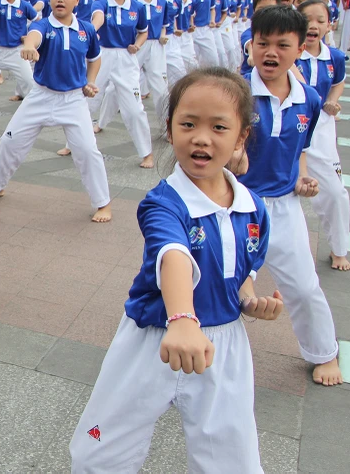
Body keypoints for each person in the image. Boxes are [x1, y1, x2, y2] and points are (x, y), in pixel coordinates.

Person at [69, 67, 282, 474]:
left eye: (218, 127)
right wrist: (182, 319)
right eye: (188, 124)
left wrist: (249, 301)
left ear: (241, 137)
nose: (201, 137)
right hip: (153, 339)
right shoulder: (163, 202)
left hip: (222, 347)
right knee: (99, 450)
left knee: (231, 460)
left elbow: (242, 270)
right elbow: (174, 256)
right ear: (169, 130)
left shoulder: (253, 207)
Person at [238, 5, 342, 386]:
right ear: (251, 45)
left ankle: (324, 352)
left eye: (282, 45)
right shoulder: (234, 91)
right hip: (236, 204)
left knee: (304, 286)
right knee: (216, 281)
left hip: (284, 208)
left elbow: (298, 149)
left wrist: (302, 178)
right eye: (262, 43)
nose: (271, 52)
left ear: (300, 48)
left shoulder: (309, 100)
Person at [0, 0, 112, 222]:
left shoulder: (86, 30)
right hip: (40, 96)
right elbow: (33, 37)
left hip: (73, 100)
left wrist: (90, 81)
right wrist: (29, 46)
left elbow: (94, 59)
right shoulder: (42, 26)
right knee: (9, 142)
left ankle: (103, 203)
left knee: (87, 151)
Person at [296, 0, 350, 271]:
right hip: (292, 123)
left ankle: (338, 249)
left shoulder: (335, 57)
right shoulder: (291, 53)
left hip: (322, 127)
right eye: (308, 19)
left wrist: (332, 101)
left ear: (330, 25)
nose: (314, 25)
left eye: (321, 20)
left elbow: (338, 83)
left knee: (336, 192)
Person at [83, 0, 155, 169]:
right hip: (102, 56)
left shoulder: (136, 7)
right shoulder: (101, 3)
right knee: (88, 102)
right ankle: (74, 144)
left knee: (134, 109)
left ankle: (146, 153)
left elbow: (143, 32)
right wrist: (92, 30)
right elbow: (97, 19)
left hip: (126, 59)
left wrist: (137, 45)